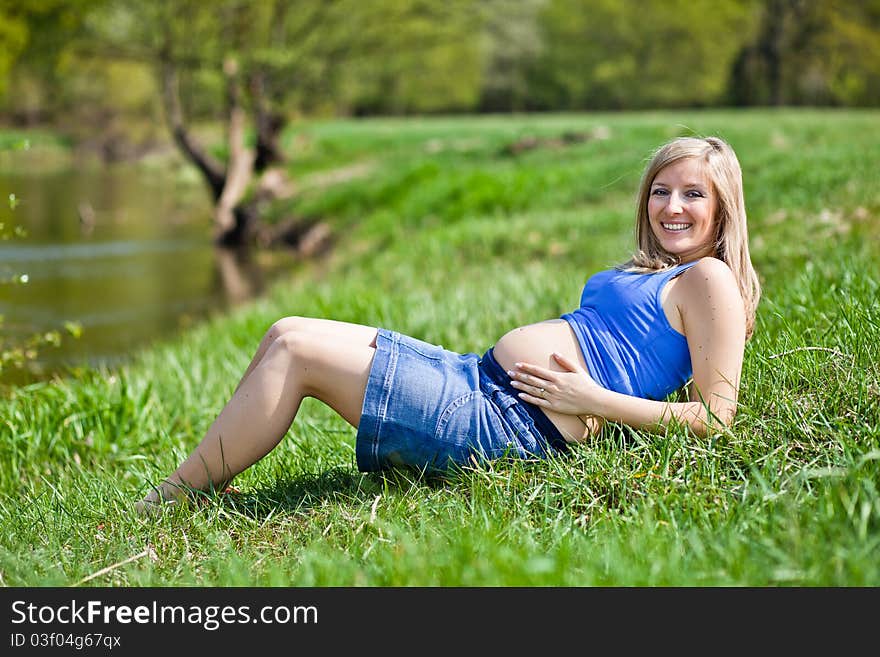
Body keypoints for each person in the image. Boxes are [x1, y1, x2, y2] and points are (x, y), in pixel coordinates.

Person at [137, 135, 761, 512]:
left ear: (722, 209)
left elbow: (717, 419)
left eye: (692, 194)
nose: (671, 206)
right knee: (283, 329)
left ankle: (170, 499)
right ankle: (207, 485)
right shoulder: (659, 273)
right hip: (475, 378)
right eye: (660, 190)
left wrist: (592, 400)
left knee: (296, 349)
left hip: (508, 425)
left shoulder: (708, 281)